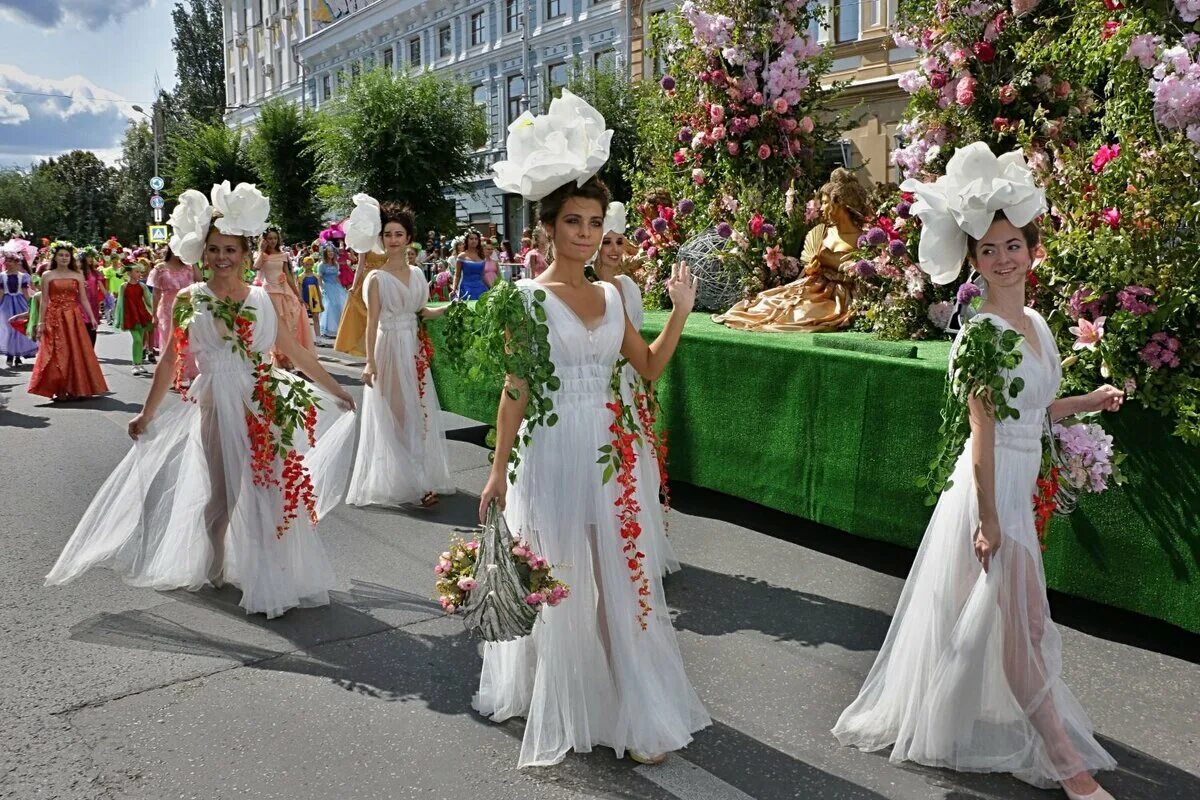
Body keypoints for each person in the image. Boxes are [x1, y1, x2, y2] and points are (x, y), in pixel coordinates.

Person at [832, 144, 1121, 800]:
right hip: (988, 493)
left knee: (993, 622)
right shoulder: (981, 334)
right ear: (973, 261)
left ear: (1030, 248)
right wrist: (989, 521)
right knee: (1020, 630)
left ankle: (943, 713)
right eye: (988, 250)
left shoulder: (1040, 326)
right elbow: (985, 431)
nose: (1002, 258)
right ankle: (1066, 766)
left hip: (1015, 489)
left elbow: (1035, 410)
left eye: (1012, 245)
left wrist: (1090, 403)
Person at [476, 90, 710, 768]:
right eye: (573, 222)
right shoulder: (522, 300)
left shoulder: (611, 296)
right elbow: (515, 388)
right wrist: (496, 469)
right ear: (548, 228)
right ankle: (561, 694)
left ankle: (633, 709)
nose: (584, 233)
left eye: (593, 222)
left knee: (619, 582)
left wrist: (682, 311)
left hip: (609, 454)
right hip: (550, 453)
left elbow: (649, 367)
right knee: (560, 579)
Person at [46, 182, 357, 619]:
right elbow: (170, 359)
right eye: (214, 249)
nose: (222, 257)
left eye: (230, 249)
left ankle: (272, 572)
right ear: (203, 252)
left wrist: (337, 390)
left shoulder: (262, 299)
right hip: (217, 404)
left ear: (245, 253)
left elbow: (299, 352)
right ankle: (214, 563)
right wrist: (146, 412)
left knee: (270, 489)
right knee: (223, 495)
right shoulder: (193, 300)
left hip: (264, 400)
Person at [343, 197, 455, 508]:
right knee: (395, 415)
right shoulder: (375, 279)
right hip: (388, 346)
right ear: (381, 239)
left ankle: (417, 477)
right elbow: (371, 324)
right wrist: (370, 363)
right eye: (388, 235)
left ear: (408, 239)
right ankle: (416, 483)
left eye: (399, 235)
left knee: (417, 414)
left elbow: (421, 312)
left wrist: (449, 308)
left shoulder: (419, 275)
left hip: (413, 349)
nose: (393, 240)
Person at [593, 201, 679, 576]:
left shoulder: (628, 286)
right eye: (606, 242)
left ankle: (637, 551)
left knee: (633, 463)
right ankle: (608, 552)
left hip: (627, 384)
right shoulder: (587, 287)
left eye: (618, 241)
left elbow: (638, 344)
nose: (613, 250)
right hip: (598, 388)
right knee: (605, 469)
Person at [713, 168, 870, 331]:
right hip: (813, 287)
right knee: (768, 301)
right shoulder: (823, 232)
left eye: (825, 202)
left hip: (838, 296)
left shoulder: (865, 238)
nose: (821, 208)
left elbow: (866, 275)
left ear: (840, 203)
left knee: (804, 313)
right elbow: (809, 269)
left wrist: (831, 260)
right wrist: (811, 269)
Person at [27, 242, 107, 401]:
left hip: (73, 316)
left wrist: (92, 317)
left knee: (76, 350)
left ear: (70, 258)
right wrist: (41, 322)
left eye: (67, 255)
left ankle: (77, 387)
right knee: (56, 351)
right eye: (61, 255)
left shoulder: (77, 275)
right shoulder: (47, 275)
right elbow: (44, 300)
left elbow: (83, 299)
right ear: (55, 257)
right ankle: (60, 388)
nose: (64, 258)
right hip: (54, 316)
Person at [255, 227, 315, 369]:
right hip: (269, 294)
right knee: (272, 326)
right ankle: (275, 357)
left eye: (275, 238)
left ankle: (286, 357)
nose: (272, 241)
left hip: (283, 293)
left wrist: (297, 294)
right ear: (264, 239)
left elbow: (288, 275)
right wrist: (262, 251)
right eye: (269, 238)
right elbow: (255, 267)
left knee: (287, 326)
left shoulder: (283, 255)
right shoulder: (261, 255)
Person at [148, 247, 203, 384]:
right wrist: (154, 314)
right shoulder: (160, 268)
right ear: (172, 249)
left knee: (189, 342)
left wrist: (194, 260)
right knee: (171, 342)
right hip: (167, 310)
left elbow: (200, 281)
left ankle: (191, 374)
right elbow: (155, 294)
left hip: (188, 307)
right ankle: (174, 376)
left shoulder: (190, 267)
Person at [115, 260, 155, 376]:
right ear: (129, 273)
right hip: (130, 316)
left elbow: (149, 300)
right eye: (136, 272)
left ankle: (139, 364)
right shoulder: (124, 286)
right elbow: (120, 303)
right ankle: (135, 364)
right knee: (137, 340)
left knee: (140, 340)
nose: (139, 274)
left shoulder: (142, 286)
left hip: (141, 315)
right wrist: (120, 318)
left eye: (139, 272)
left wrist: (154, 312)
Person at [1, 240, 37, 367]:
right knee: (9, 328)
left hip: (20, 302)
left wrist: (32, 305)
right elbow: (0, 292)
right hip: (6, 303)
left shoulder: (23, 276)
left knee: (19, 328)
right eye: (6, 261)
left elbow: (26, 293)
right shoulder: (2, 276)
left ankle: (16, 355)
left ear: (17, 262)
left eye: (10, 261)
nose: (7, 263)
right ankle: (10, 355)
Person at [318, 245, 348, 340]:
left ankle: (338, 328)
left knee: (340, 305)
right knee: (329, 306)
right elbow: (319, 278)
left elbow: (336, 277)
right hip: (327, 287)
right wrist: (321, 288)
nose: (331, 253)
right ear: (325, 253)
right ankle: (328, 329)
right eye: (329, 252)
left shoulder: (336, 264)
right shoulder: (321, 265)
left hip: (336, 287)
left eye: (332, 252)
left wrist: (342, 288)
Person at [453, 229, 491, 300]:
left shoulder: (482, 255)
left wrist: (491, 287)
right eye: (471, 239)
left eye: (476, 239)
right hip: (466, 288)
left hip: (482, 288)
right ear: (467, 240)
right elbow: (457, 275)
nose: (474, 241)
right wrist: (454, 289)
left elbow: (483, 275)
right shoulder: (461, 256)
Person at [78, 249, 105, 346]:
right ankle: (84, 352)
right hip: (81, 303)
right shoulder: (78, 272)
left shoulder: (96, 272)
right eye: (88, 257)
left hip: (93, 303)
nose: (90, 259)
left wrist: (107, 298)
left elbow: (101, 287)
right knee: (84, 326)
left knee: (93, 328)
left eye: (91, 257)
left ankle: (91, 352)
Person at [299, 256, 323, 344]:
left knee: (316, 317)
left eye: (310, 264)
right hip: (305, 299)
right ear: (303, 265)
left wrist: (320, 302)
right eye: (307, 264)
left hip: (314, 299)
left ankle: (318, 337)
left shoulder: (316, 276)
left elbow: (318, 289)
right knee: (304, 319)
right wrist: (300, 298)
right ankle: (305, 338)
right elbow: (300, 289)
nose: (309, 266)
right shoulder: (301, 277)